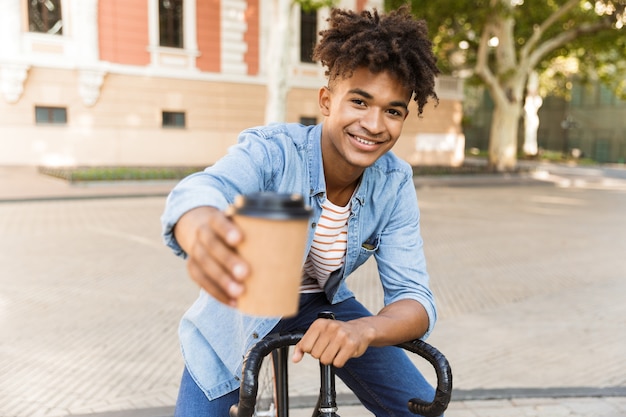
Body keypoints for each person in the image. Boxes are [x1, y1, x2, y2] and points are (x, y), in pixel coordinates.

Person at [161, 6, 441, 416]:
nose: (374, 124)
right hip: (245, 308)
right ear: (327, 101)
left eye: (393, 110)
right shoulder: (275, 152)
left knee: (421, 408)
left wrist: (363, 330)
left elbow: (415, 298)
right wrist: (203, 229)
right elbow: (205, 189)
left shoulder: (393, 181)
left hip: (325, 305)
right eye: (360, 102)